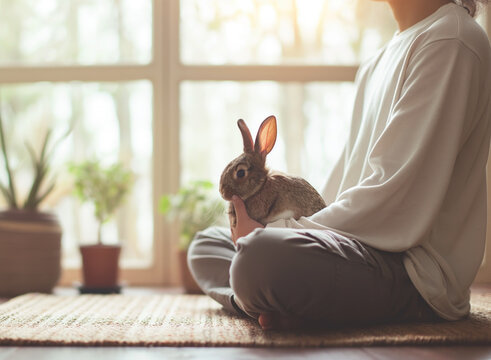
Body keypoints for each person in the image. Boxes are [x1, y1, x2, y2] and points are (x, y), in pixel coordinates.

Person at [188, 0, 491, 330]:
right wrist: (277, 228)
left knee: (259, 259)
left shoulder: (451, 42)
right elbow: (343, 186)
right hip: (357, 249)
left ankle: (264, 297)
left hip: (410, 274)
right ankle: (267, 301)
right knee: (205, 244)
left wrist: (274, 236)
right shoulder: (377, 62)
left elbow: (396, 204)